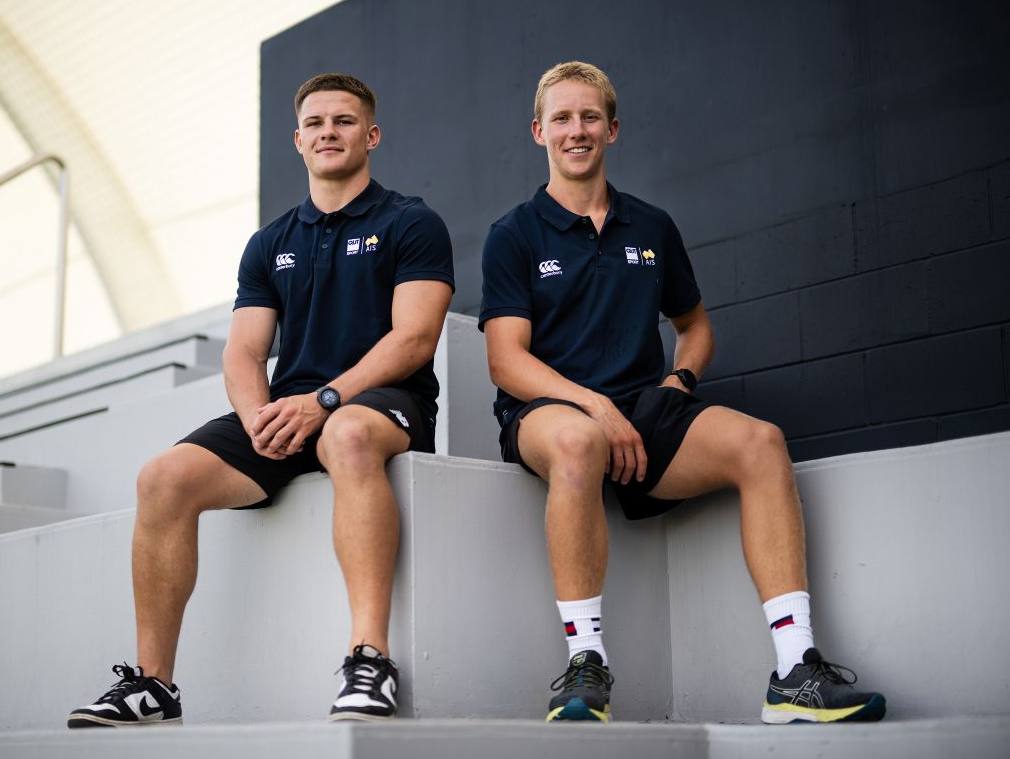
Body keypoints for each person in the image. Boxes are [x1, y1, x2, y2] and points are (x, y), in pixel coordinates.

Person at [479, 61, 885, 725]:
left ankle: (795, 671)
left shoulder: (652, 226)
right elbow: (506, 360)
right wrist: (595, 405)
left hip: (645, 408)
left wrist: (679, 379)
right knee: (580, 439)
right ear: (538, 131)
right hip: (549, 412)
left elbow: (695, 328)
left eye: (588, 117)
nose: (575, 130)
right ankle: (586, 667)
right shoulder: (513, 234)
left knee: (761, 442)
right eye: (561, 118)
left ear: (612, 129)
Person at [68, 73, 454, 727]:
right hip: (289, 414)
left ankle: (370, 660)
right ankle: (155, 687)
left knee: (347, 436)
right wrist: (256, 420)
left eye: (344, 120)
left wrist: (325, 400)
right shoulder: (270, 242)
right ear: (298, 140)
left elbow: (415, 339)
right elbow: (244, 353)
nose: (329, 131)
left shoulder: (410, 222)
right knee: (163, 477)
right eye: (316, 123)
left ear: (372, 135)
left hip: (380, 404)